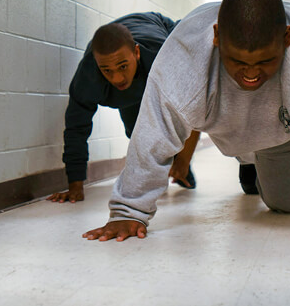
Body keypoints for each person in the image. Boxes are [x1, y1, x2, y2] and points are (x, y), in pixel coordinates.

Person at [84, 0, 290, 252]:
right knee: (248, 160)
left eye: (265, 61)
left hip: (288, 134)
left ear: (287, 38)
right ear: (217, 37)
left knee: (285, 205)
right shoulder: (180, 60)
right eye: (237, 61)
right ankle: (248, 159)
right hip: (231, 130)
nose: (251, 74)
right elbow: (152, 136)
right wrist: (128, 212)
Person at [47, 12, 204, 204]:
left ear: (136, 53)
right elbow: (76, 130)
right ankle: (168, 165)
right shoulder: (87, 79)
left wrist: (183, 160)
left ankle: (181, 168)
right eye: (107, 71)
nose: (117, 78)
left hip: (159, 30)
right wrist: (75, 186)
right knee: (136, 132)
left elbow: (195, 106)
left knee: (168, 127)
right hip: (136, 74)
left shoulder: (163, 59)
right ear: (98, 65)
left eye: (122, 66)